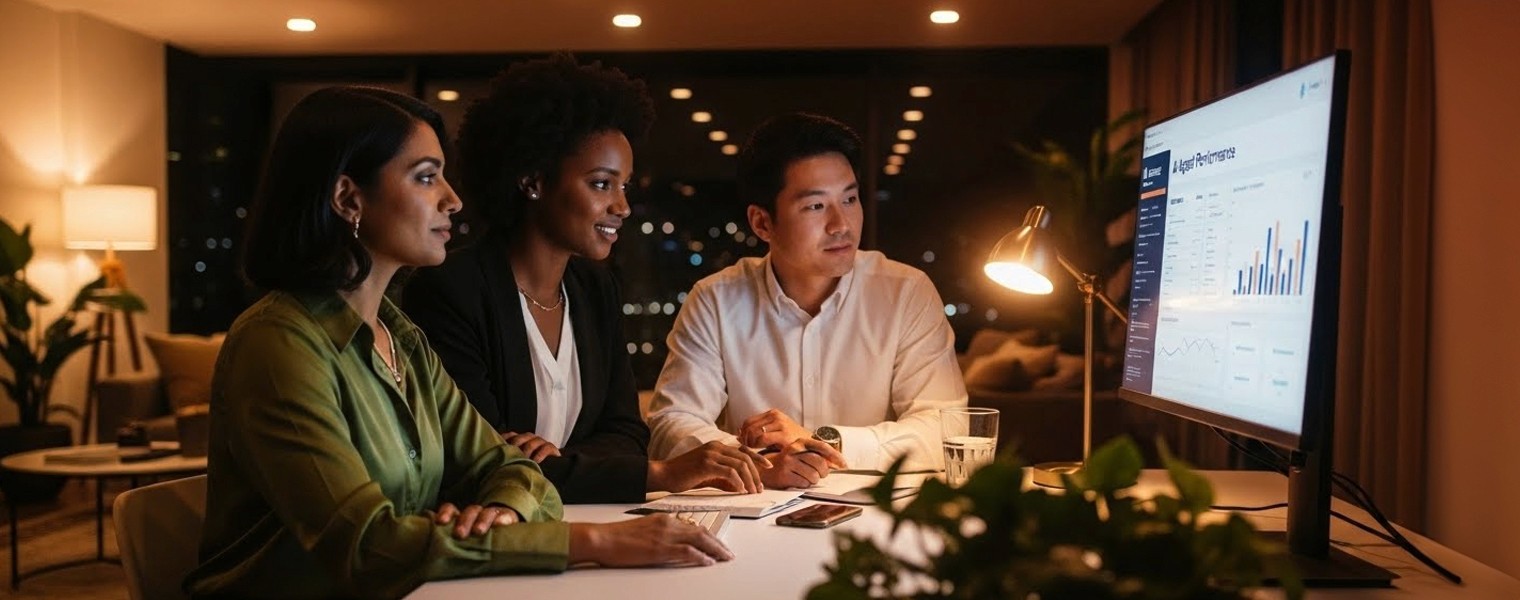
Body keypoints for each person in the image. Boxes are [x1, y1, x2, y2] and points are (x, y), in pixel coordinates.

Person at [186, 86, 731, 600]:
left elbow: (517, 471)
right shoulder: (278, 344)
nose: (452, 200)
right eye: (426, 178)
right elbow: (366, 548)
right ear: (348, 199)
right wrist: (594, 541)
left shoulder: (400, 335)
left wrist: (503, 512)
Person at [403, 54, 766, 504]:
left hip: (586, 520)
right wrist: (661, 474)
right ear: (533, 181)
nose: (622, 206)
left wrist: (558, 461)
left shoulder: (594, 289)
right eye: (601, 184)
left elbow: (627, 433)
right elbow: (481, 461)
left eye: (625, 186)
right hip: (492, 540)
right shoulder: (452, 290)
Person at [647, 112, 969, 489]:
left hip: (873, 516)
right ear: (762, 223)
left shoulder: (904, 292)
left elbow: (947, 430)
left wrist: (823, 441)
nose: (842, 224)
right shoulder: (716, 300)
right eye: (816, 206)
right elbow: (671, 426)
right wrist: (764, 464)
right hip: (754, 522)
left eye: (850, 199)